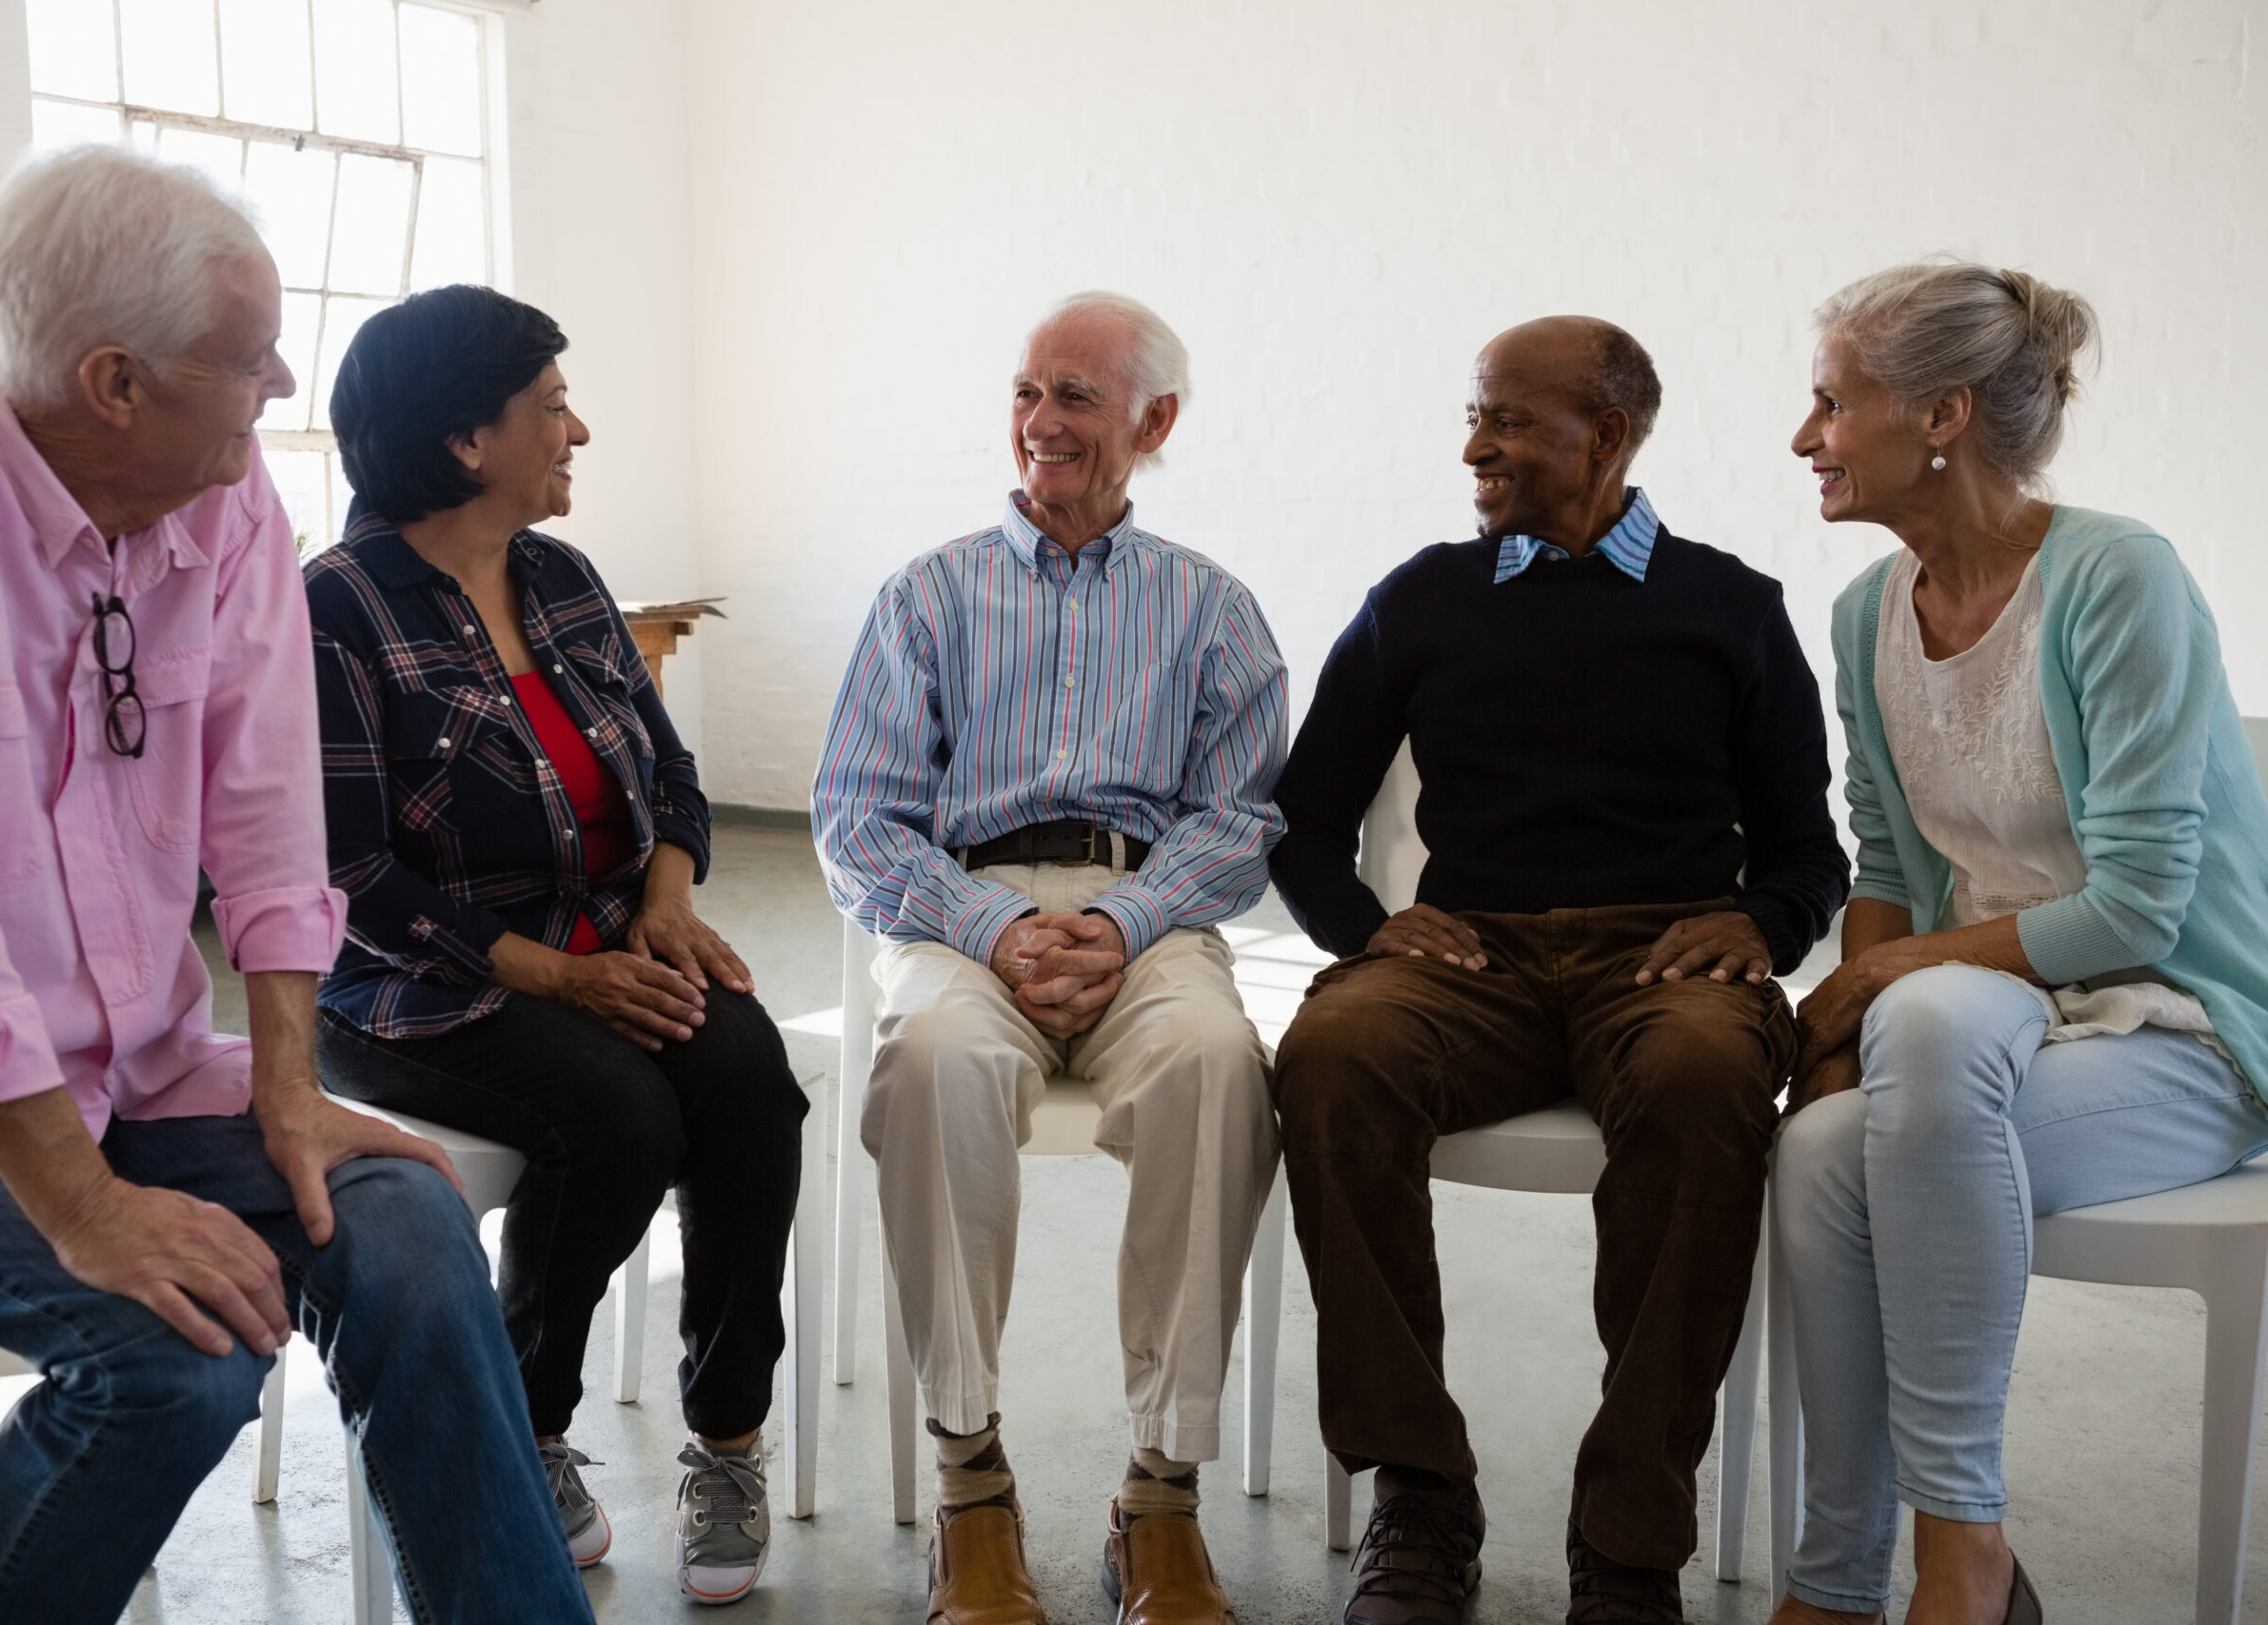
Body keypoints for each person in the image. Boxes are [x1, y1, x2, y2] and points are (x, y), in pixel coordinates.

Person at [0, 146, 593, 1625]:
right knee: (177, 1365)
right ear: (114, 381)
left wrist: (289, 1089)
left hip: (145, 1068)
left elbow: (265, 810)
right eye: (248, 361)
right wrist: (80, 1203)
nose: (284, 388)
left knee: (416, 1240)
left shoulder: (225, 505)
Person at [1267, 316, 1850, 1625]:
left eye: (1511, 422)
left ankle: (1630, 1538)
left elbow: (1811, 855)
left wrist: (1761, 928)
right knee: (1333, 1057)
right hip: (1471, 954)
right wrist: (1364, 928)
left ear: (1612, 435)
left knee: (1709, 1080)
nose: (1477, 447)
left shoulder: (1732, 610)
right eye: (1476, 419)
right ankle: (1419, 1491)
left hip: (1667, 956)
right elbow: (1300, 818)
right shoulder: (1421, 598)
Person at [1771, 261, 2268, 1625]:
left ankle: (1960, 1554)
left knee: (1920, 1023)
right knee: (1819, 1144)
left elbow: (2139, 910)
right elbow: (1885, 861)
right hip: (1988, 1025)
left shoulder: (2119, 580)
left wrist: (1873, 980)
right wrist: (1831, 1053)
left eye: (1831, 403)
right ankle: (1837, 1583)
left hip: (2187, 1028)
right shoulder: (1869, 614)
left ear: (1940, 413)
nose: (1806, 438)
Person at [306, 284, 805, 1602]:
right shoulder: (339, 609)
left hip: (605, 942)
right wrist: (561, 975)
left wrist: (668, 906)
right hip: (413, 990)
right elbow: (348, 873)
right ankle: (524, 1427)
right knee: (622, 1119)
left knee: (752, 1083)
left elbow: (676, 786)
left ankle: (728, 1437)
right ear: (469, 439)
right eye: (552, 407)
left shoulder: (567, 580)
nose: (576, 430)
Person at [811, 291, 1286, 1625]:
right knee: (939, 1057)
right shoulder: (927, 597)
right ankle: (971, 1481)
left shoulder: (1213, 610)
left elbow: (1243, 819)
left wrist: (1125, 924)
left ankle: (1158, 1496)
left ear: (1156, 422)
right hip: (968, 905)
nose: (1043, 423)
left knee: (1214, 1061)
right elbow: (856, 816)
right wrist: (992, 929)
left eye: (1078, 396)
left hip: (1148, 912)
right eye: (1029, 392)